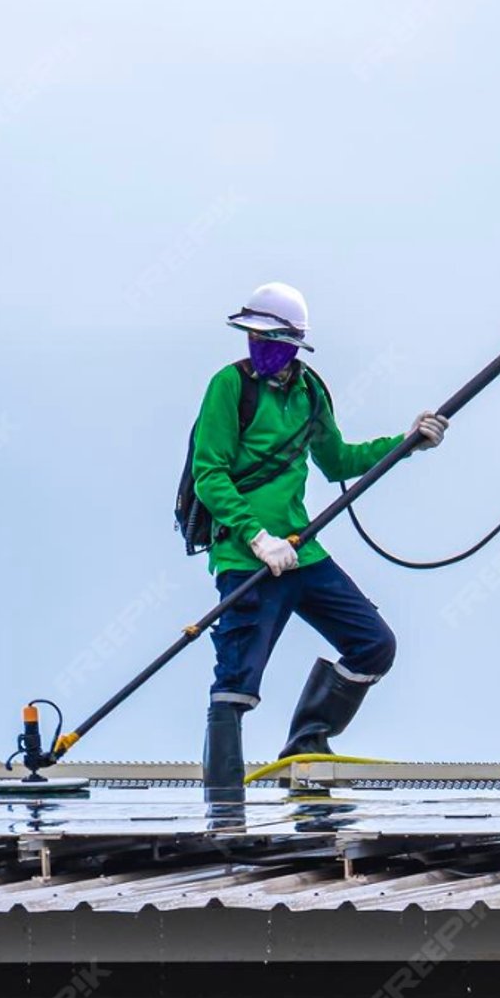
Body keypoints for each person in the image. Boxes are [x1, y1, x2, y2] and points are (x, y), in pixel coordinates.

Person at [190, 282, 449, 798]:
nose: (260, 351)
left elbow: (338, 461)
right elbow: (209, 474)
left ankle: (307, 741)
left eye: (271, 342)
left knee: (373, 644)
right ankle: (224, 815)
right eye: (253, 340)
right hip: (248, 558)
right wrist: (257, 536)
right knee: (235, 684)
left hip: (300, 552)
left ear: (293, 344)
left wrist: (405, 444)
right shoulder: (229, 387)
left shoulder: (310, 392)